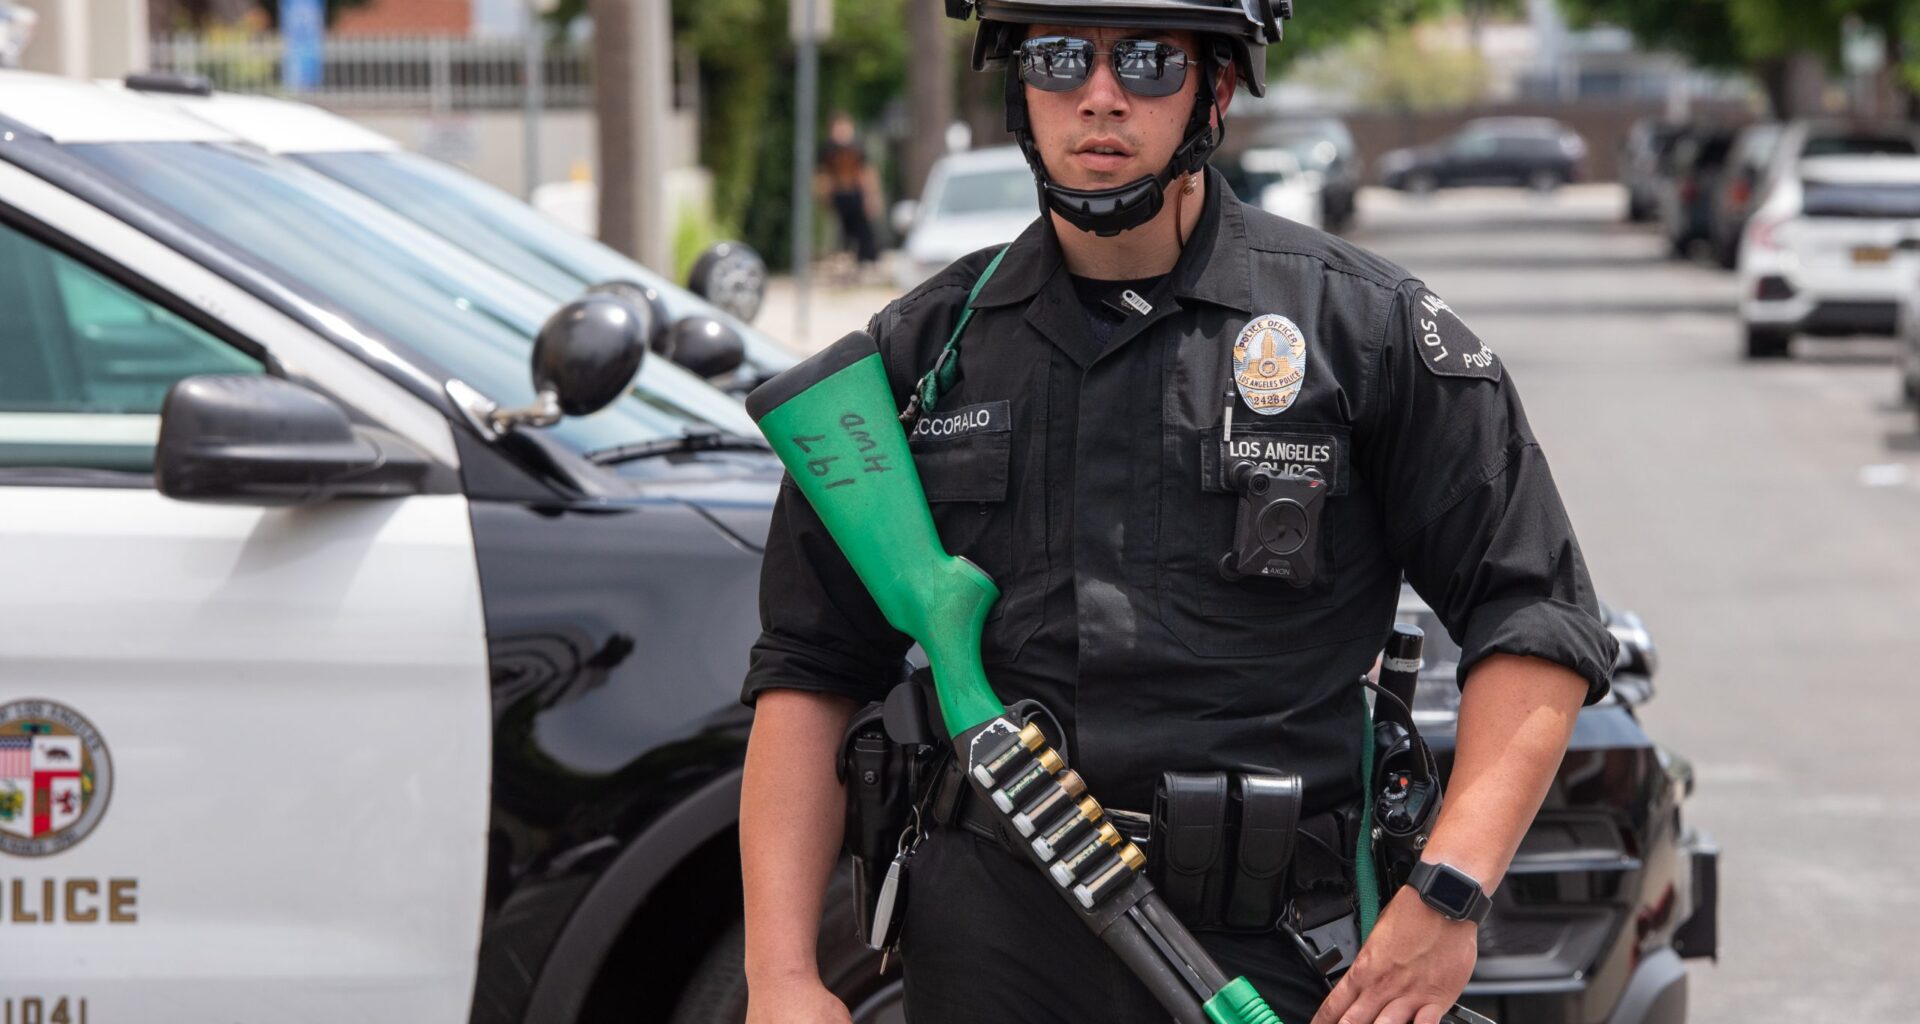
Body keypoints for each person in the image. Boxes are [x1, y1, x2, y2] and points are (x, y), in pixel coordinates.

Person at [739, 2, 1618, 1022]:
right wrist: (782, 976)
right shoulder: (919, 359)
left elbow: (1537, 617)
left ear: (1217, 90)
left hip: (1275, 950)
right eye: (1061, 58)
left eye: (1149, 62)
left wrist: (1450, 895)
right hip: (995, 944)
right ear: (1018, 86)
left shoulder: (1361, 331)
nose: (1101, 95)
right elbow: (808, 669)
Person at [816, 112, 882, 280]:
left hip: (855, 193)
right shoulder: (828, 150)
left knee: (862, 229)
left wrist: (871, 196)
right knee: (844, 232)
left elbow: (866, 173)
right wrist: (824, 195)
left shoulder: (857, 147)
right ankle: (846, 263)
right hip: (839, 195)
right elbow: (822, 175)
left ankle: (864, 262)